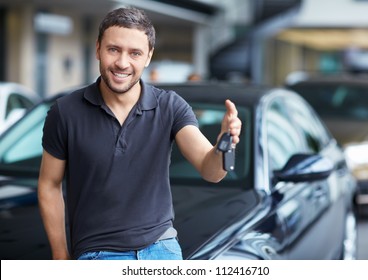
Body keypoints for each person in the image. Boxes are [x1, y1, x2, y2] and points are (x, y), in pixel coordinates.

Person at [38, 6, 242, 260]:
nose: (122, 63)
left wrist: (225, 143)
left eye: (135, 53)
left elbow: (210, 171)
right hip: (98, 253)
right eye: (114, 49)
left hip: (161, 248)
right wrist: (60, 256)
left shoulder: (170, 106)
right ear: (98, 48)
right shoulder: (65, 112)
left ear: (148, 57)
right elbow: (49, 184)